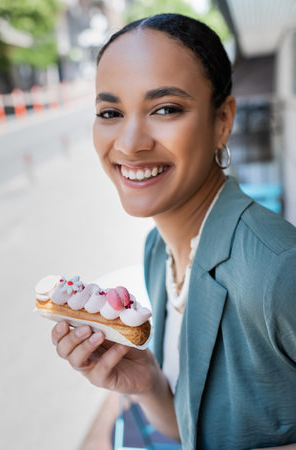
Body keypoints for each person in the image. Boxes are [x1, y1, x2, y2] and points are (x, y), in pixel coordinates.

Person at [51, 13, 296, 449]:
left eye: (165, 109)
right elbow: (187, 432)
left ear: (223, 120)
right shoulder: (156, 251)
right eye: (110, 112)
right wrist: (147, 383)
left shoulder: (279, 271)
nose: (129, 143)